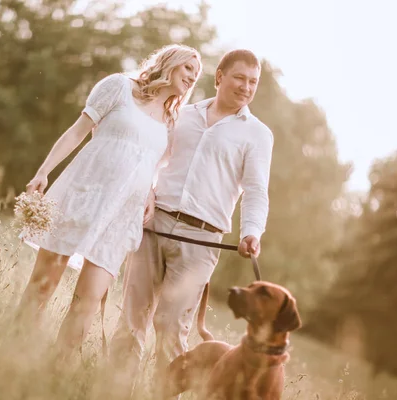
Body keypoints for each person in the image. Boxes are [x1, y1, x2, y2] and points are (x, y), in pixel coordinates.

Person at [108, 48, 274, 396]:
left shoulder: (257, 134)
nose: (246, 87)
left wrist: (251, 232)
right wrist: (148, 191)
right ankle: (113, 391)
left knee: (171, 328)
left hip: (202, 242)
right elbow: (154, 158)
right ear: (219, 77)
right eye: (240, 78)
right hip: (153, 225)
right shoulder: (183, 112)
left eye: (253, 82)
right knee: (131, 320)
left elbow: (257, 190)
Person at [17, 44, 203, 355]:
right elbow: (78, 132)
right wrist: (43, 172)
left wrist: (151, 194)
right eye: (188, 68)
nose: (192, 76)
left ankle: (57, 371)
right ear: (171, 62)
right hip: (83, 194)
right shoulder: (118, 86)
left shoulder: (171, 120)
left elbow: (151, 165)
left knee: (87, 302)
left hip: (121, 215)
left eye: (196, 75)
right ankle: (11, 349)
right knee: (42, 284)